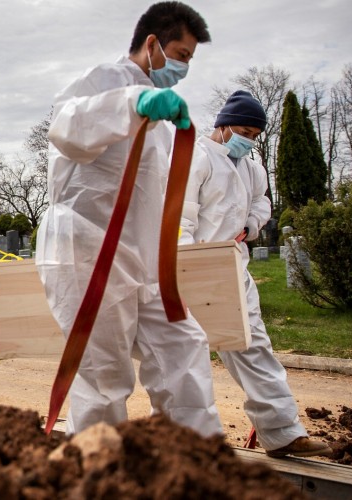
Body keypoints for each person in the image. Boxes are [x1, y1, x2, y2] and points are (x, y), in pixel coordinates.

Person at [35, 1, 223, 437]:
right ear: (152, 44)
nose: (183, 68)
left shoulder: (162, 119)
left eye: (189, 60)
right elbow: (67, 129)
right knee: (103, 374)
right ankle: (97, 463)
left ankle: (195, 454)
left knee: (183, 346)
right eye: (180, 55)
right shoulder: (106, 79)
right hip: (87, 247)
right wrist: (136, 101)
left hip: (141, 258)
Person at [180, 91, 332, 457]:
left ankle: (283, 433)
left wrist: (251, 224)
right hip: (194, 269)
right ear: (224, 125)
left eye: (255, 135)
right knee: (183, 356)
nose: (249, 141)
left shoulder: (252, 168)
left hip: (234, 268)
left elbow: (261, 201)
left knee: (254, 346)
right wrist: (186, 265)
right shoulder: (195, 158)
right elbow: (180, 216)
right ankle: (187, 443)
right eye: (245, 132)